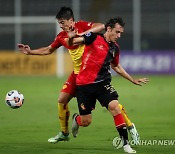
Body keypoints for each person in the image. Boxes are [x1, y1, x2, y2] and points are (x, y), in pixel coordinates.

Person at [18, 6, 139, 144]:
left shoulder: (81, 26)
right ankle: (64, 133)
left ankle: (130, 126)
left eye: (63, 22)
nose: (61, 26)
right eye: (59, 23)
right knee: (62, 100)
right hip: (78, 74)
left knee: (112, 103)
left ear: (71, 20)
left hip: (94, 73)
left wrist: (82, 35)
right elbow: (48, 50)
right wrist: (30, 52)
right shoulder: (61, 36)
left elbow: (100, 26)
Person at [69, 17, 149, 153]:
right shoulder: (93, 37)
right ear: (109, 29)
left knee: (115, 106)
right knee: (86, 121)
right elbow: (74, 42)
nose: (119, 36)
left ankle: (126, 145)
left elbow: (116, 67)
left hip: (102, 84)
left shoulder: (115, 48)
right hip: (84, 85)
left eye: (121, 33)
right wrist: (71, 37)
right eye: (117, 32)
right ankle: (76, 119)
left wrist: (132, 79)